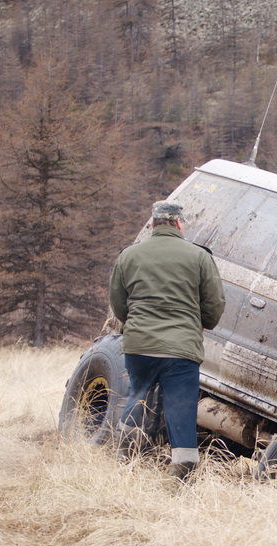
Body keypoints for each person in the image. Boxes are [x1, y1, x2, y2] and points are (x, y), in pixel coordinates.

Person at [109, 201, 225, 481]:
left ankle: (125, 458)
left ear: (153, 224)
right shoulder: (199, 257)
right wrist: (201, 323)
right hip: (181, 350)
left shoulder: (129, 255)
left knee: (138, 395)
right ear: (179, 223)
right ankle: (181, 471)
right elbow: (214, 306)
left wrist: (138, 326)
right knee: (180, 407)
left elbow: (118, 304)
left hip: (140, 346)